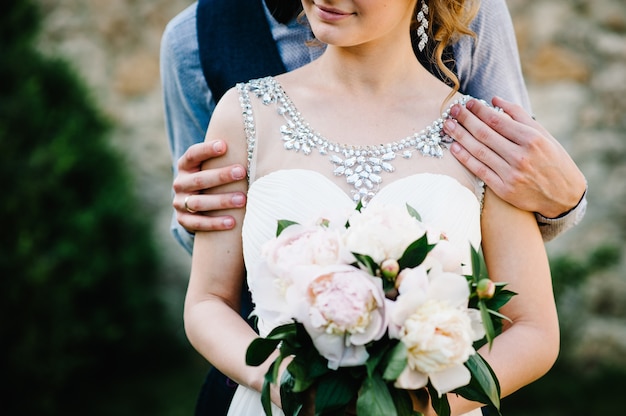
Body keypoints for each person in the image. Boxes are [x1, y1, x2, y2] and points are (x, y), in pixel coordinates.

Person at [182, 0, 560, 415]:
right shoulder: (244, 116)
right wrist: (291, 386)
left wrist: (421, 406)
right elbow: (208, 302)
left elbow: (534, 330)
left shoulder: (480, 134)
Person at [164, 0, 587, 257]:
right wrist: (197, 219)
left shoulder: (468, 11)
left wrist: (564, 202)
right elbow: (206, 248)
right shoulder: (192, 40)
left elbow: (516, 181)